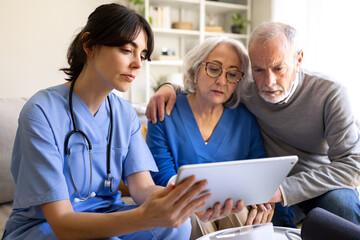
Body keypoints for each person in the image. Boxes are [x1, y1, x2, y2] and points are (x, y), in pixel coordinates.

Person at [1, 4, 211, 240]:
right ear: (89, 44)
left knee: (179, 226)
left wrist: (186, 200)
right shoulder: (40, 112)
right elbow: (61, 223)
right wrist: (143, 218)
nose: (137, 64)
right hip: (44, 228)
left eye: (142, 55)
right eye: (126, 50)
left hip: (106, 214)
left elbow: (143, 189)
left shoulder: (124, 113)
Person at [145, 22, 360, 228]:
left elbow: (353, 164)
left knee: (341, 202)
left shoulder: (330, 94)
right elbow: (206, 86)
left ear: (298, 59)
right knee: (251, 217)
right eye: (258, 70)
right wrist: (168, 88)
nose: (268, 81)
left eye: (278, 68)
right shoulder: (245, 88)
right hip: (267, 188)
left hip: (315, 185)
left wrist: (283, 190)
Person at [145, 36, 269, 237]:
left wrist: (260, 201)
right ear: (195, 70)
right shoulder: (165, 110)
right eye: (213, 69)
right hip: (181, 203)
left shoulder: (245, 120)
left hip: (231, 205)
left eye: (232, 74)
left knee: (241, 215)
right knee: (189, 216)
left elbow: (258, 172)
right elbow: (161, 174)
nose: (221, 80)